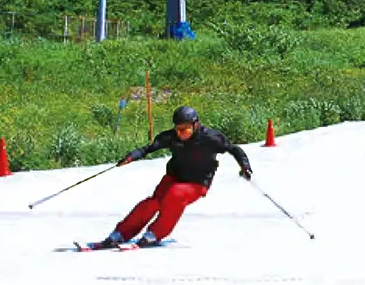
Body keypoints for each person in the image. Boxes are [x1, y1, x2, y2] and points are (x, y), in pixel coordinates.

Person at [85, 106, 253, 249]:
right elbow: (148, 148)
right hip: (174, 176)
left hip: (197, 182)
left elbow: (234, 149)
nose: (181, 134)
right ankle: (121, 233)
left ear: (196, 125)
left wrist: (244, 165)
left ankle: (155, 233)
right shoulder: (171, 136)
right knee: (152, 203)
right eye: (178, 129)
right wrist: (131, 157)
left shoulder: (211, 138)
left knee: (175, 195)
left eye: (185, 129)